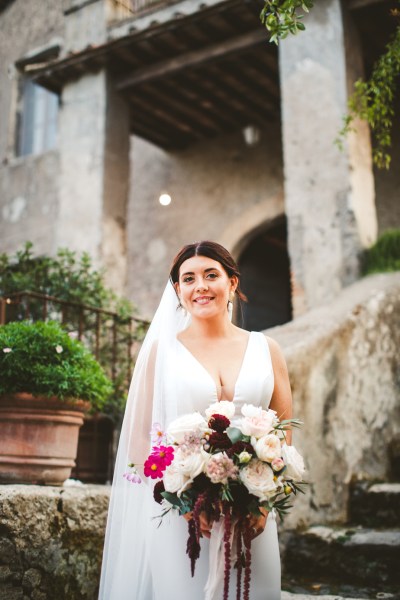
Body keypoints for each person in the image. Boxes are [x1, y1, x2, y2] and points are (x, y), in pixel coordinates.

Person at [99, 241, 293, 600]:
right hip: (181, 521)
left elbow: (283, 439)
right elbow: (141, 441)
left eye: (211, 275)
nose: (200, 286)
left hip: (252, 517)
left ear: (232, 282)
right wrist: (186, 503)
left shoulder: (267, 350)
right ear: (177, 290)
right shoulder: (162, 353)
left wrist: (264, 504)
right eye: (188, 279)